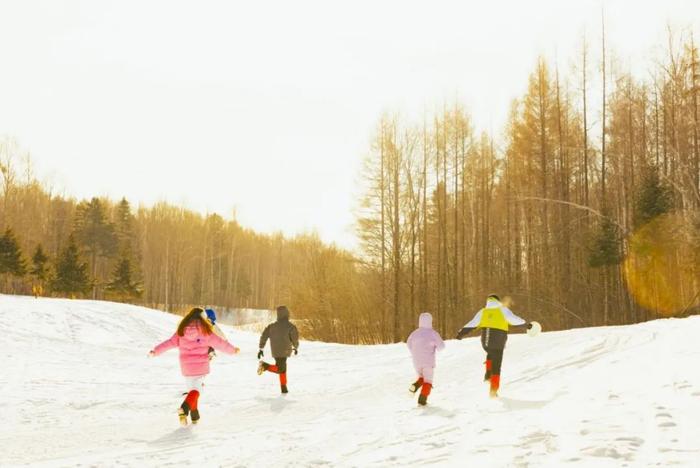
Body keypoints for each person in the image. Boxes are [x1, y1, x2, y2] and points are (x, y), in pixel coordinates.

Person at [149, 307, 240, 425]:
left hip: (186, 367)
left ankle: (194, 414)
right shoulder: (205, 330)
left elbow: (169, 343)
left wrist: (155, 351)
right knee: (197, 390)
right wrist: (233, 350)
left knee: (192, 390)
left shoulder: (181, 331)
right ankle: (184, 408)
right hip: (200, 367)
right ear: (202, 318)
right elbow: (220, 343)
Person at [456, 294, 531, 398]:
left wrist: (461, 334)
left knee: (490, 353)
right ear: (498, 301)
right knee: (496, 365)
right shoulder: (502, 310)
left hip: (485, 341)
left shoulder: (483, 312)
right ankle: (493, 390)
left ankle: (487, 374)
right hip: (499, 341)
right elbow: (514, 320)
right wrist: (527, 325)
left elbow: (472, 324)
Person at [257, 305, 299, 394]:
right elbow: (295, 338)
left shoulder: (272, 326)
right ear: (287, 314)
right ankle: (265, 366)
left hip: (275, 351)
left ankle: (284, 387)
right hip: (286, 350)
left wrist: (261, 348)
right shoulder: (291, 326)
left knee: (282, 368)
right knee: (281, 369)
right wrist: (295, 347)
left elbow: (264, 336)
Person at [407, 312, 445, 406]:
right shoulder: (433, 333)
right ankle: (422, 400)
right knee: (428, 381)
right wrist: (435, 347)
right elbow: (441, 347)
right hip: (428, 362)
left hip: (416, 361)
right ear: (430, 321)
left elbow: (408, 344)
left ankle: (415, 386)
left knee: (422, 377)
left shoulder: (414, 333)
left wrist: (415, 352)